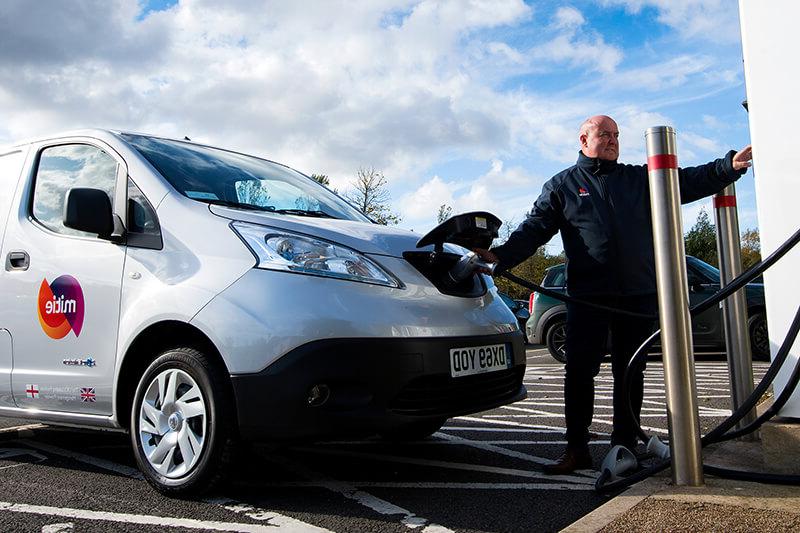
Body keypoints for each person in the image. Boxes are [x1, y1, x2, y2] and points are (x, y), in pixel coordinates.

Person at [475, 115, 752, 475]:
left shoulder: (637, 178)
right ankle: (576, 449)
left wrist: (726, 167)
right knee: (578, 371)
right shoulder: (562, 185)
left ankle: (625, 444)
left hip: (637, 293)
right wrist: (501, 256)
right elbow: (534, 229)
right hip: (587, 296)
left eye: (617, 136)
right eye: (605, 134)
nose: (612, 141)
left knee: (630, 369)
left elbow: (682, 181)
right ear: (583, 139)